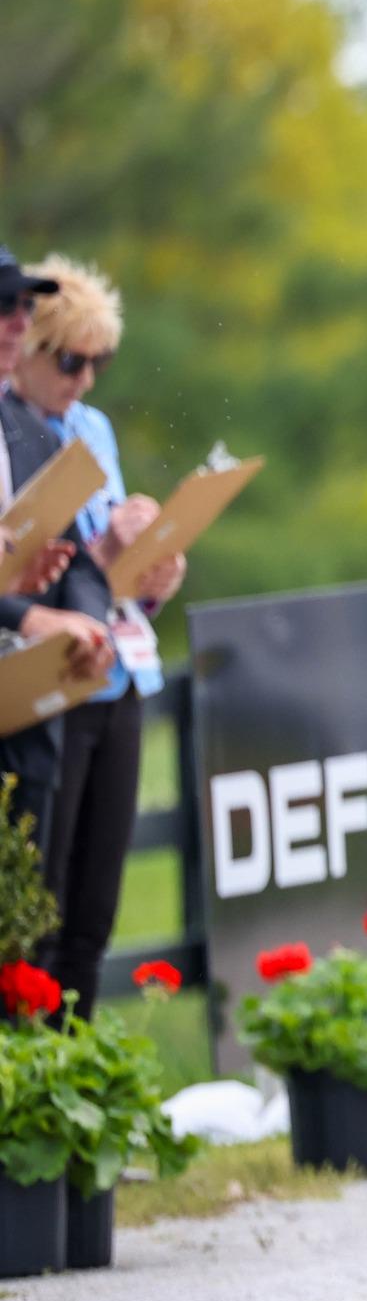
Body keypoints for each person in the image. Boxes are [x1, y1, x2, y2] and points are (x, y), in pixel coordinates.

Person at [12, 257, 184, 1015]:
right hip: (45, 682)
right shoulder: (17, 429)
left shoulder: (93, 430)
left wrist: (151, 570)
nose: (84, 380)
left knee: (95, 910)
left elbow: (94, 570)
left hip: (117, 665)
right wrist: (102, 565)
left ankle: (79, 1090)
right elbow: (42, 572)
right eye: (72, 361)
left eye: (98, 362)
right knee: (40, 911)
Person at [0, 245, 114, 859]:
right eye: (2, 305)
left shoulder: (36, 434)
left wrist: (92, 627)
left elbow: (80, 563)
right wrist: (28, 615)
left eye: (24, 305)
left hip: (26, 728)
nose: (19, 321)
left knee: (32, 941)